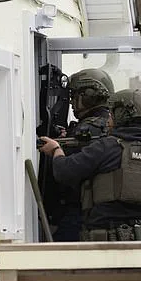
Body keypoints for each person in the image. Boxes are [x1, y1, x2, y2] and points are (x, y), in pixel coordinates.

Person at [38, 89, 141, 241]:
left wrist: (56, 149)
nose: (108, 119)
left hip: (104, 242)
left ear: (120, 115)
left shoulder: (107, 147)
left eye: (111, 114)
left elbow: (64, 171)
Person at [47, 68, 115, 241]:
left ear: (89, 96)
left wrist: (56, 149)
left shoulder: (89, 128)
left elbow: (66, 171)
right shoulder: (108, 124)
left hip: (79, 211)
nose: (71, 102)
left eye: (75, 96)